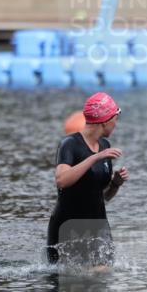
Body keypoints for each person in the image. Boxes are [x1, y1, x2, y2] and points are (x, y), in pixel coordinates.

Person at [46, 92, 129, 265]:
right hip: (68, 226)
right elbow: (61, 180)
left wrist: (115, 184)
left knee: (103, 281)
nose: (116, 123)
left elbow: (102, 197)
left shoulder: (105, 146)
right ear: (105, 121)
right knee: (72, 285)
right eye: (115, 118)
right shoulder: (70, 144)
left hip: (98, 227)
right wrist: (95, 157)